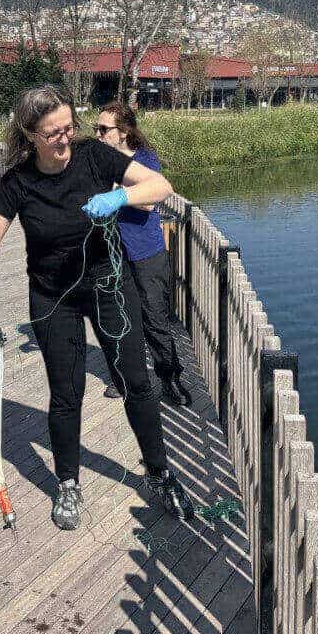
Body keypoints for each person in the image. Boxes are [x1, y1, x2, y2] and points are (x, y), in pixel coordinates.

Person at [0, 85, 194, 530]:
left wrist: (119, 197)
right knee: (67, 393)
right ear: (30, 134)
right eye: (53, 133)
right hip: (54, 298)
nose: (65, 139)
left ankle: (160, 473)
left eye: (69, 128)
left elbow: (159, 185)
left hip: (110, 286)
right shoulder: (18, 182)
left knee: (136, 383)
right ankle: (68, 482)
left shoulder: (94, 156)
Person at [93, 102, 190, 407]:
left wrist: (114, 194)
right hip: (112, 254)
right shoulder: (99, 158)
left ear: (122, 132)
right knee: (120, 319)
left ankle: (169, 379)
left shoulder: (145, 159)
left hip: (146, 254)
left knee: (154, 320)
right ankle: (126, 379)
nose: (98, 134)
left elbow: (148, 203)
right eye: (96, 128)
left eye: (104, 129)